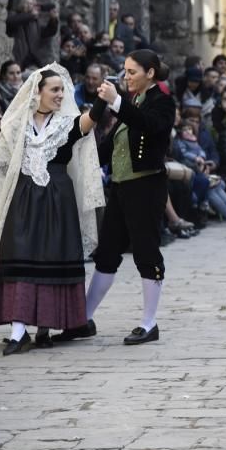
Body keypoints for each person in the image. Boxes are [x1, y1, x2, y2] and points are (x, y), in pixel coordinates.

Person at [0, 65, 105, 355]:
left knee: (51, 259)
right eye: (54, 89)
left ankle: (44, 327)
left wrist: (103, 99)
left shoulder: (67, 123)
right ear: (38, 92)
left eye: (62, 90)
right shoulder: (17, 125)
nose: (60, 94)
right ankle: (19, 331)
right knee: (19, 256)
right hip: (22, 201)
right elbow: (0, 162)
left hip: (58, 202)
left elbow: (90, 120)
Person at [54, 50, 174, 346]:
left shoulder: (162, 101)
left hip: (147, 187)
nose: (127, 76)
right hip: (121, 188)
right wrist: (78, 158)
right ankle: (83, 318)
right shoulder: (131, 102)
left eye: (132, 71)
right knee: (107, 253)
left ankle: (149, 323)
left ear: (150, 73)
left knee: (146, 253)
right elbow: (112, 145)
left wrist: (116, 101)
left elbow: (149, 125)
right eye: (125, 71)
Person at [6, 0, 60, 68]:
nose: (31, 6)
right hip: (19, 58)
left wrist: (53, 20)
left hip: (34, 59)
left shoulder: (34, 21)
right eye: (28, 3)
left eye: (33, 4)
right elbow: (11, 21)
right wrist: (31, 15)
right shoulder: (14, 15)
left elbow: (48, 32)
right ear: (22, 4)